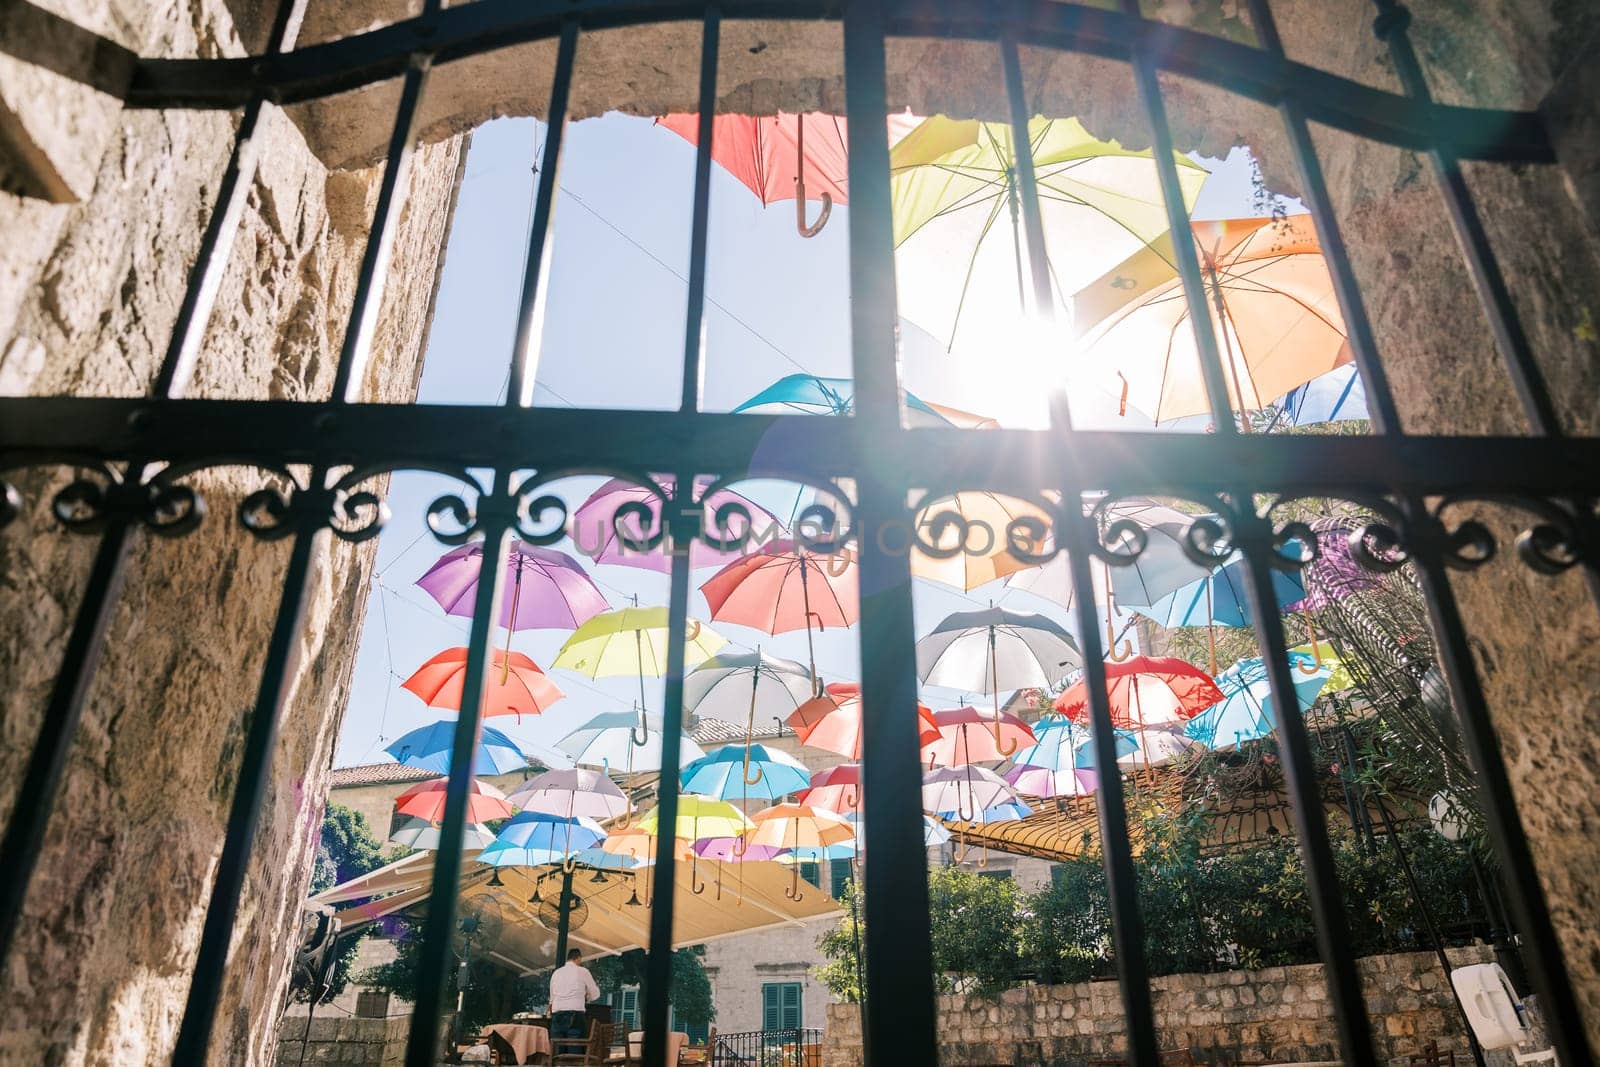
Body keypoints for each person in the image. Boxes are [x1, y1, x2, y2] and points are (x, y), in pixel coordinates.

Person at [548, 948, 600, 1052]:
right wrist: (587, 996)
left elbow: (552, 997)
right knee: (575, 1051)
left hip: (557, 1015)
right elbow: (596, 994)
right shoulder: (583, 971)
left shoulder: (556, 973)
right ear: (579, 958)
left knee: (558, 1052)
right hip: (575, 1016)